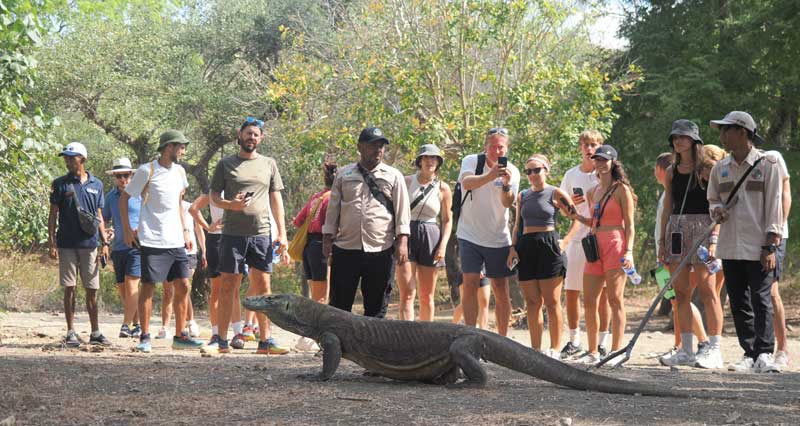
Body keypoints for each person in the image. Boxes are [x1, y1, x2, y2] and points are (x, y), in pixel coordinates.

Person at [707, 111, 784, 373]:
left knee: (761, 299)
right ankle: (749, 353)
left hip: (758, 245)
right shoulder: (720, 167)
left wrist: (771, 245)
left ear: (742, 132)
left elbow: (775, 206)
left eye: (726, 130)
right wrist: (717, 210)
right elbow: (713, 199)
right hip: (730, 245)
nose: (722, 136)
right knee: (739, 301)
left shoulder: (768, 164)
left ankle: (765, 353)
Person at [210, 117, 290, 355]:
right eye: (248, 133)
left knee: (263, 286)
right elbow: (214, 197)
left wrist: (282, 233)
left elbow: (276, 200)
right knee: (229, 284)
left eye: (256, 134)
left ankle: (265, 342)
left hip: (262, 234)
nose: (251, 138)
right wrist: (230, 205)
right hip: (233, 234)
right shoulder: (225, 164)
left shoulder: (269, 164)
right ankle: (222, 342)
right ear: (240, 135)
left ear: (261, 138)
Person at [121, 129, 203, 352]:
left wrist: (186, 232)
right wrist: (128, 230)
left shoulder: (179, 172)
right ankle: (145, 337)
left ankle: (179, 336)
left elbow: (178, 202)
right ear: (169, 147)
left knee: (183, 285)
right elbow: (125, 197)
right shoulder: (146, 171)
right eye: (181, 147)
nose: (184, 151)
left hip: (175, 239)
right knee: (148, 286)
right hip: (152, 238)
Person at [322, 127, 411, 318]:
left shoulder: (394, 175)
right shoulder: (344, 174)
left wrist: (402, 242)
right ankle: (340, 346)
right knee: (339, 305)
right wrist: (327, 239)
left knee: (376, 306)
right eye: (373, 145)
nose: (378, 150)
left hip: (381, 248)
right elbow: (333, 209)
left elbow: (402, 211)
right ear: (360, 147)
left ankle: (373, 348)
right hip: (346, 247)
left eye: (381, 146)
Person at [657, 120, 724, 369]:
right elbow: (667, 207)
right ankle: (686, 348)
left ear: (695, 140)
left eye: (683, 137)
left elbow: (718, 206)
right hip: (677, 230)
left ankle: (714, 348)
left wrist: (715, 239)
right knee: (681, 293)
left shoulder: (707, 169)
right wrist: (662, 240)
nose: (678, 141)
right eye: (675, 137)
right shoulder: (672, 171)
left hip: (703, 229)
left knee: (708, 291)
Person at [572, 145, 637, 365]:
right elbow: (595, 221)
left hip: (615, 244)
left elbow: (629, 224)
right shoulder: (593, 192)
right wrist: (576, 217)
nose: (599, 163)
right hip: (595, 245)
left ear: (612, 162)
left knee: (615, 299)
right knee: (589, 299)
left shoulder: (622, 190)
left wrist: (629, 251)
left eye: (603, 159)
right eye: (596, 160)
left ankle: (616, 351)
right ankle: (592, 350)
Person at [507, 155, 577, 358]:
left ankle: (555, 349)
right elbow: (518, 225)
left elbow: (576, 218)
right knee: (532, 301)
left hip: (549, 245)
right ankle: (535, 349)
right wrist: (513, 247)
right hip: (526, 246)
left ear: (546, 170)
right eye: (528, 171)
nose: (532, 175)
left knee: (552, 301)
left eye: (536, 170)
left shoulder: (555, 193)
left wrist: (565, 241)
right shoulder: (522, 195)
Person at [456, 127, 520, 336]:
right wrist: (491, 175)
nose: (496, 151)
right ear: (486, 147)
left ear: (507, 148)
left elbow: (507, 202)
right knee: (470, 283)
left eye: (500, 147)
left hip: (497, 236)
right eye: (492, 146)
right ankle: (470, 335)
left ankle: (502, 339)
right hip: (469, 233)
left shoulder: (513, 171)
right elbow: (466, 183)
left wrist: (506, 185)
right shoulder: (472, 161)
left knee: (500, 288)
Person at [48, 142, 112, 347]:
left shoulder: (97, 184)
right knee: (69, 287)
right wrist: (52, 243)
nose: (67, 161)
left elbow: (99, 215)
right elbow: (53, 215)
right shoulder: (60, 184)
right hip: (66, 244)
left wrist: (105, 243)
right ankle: (70, 331)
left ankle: (95, 332)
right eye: (65, 157)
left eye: (71, 157)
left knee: (92, 288)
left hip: (90, 244)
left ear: (82, 159)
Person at [558, 130, 612, 358]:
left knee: (601, 294)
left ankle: (601, 341)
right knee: (571, 291)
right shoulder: (572, 175)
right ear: (580, 148)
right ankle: (574, 340)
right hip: (578, 237)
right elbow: (561, 201)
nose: (590, 149)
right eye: (586, 145)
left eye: (594, 145)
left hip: (601, 237)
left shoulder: (604, 174)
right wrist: (570, 208)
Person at [654, 152, 708, 358]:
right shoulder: (665, 195)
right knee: (676, 299)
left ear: (661, 169)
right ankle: (679, 345)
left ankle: (702, 341)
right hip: (665, 254)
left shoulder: (672, 193)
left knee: (679, 299)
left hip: (674, 252)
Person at [395, 144, 453, 321]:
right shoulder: (406, 181)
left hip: (431, 236)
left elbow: (447, 220)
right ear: (419, 161)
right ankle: (407, 338)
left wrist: (442, 246)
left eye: (434, 158)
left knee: (427, 296)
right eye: (426, 157)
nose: (430, 161)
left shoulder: (443, 188)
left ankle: (427, 338)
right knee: (407, 293)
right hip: (407, 235)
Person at [189, 193, 246, 348]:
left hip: (236, 239)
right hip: (216, 240)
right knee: (217, 290)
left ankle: (237, 333)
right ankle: (216, 334)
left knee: (234, 290)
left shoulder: (239, 190)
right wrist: (208, 227)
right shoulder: (214, 192)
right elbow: (193, 208)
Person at [290, 161, 336, 350]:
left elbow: (297, 221)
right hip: (323, 246)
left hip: (309, 246)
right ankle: (313, 337)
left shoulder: (316, 196)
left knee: (314, 292)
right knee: (321, 297)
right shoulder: (334, 198)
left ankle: (306, 337)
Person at [103, 157, 142, 338]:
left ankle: (125, 325)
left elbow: (150, 215)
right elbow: (104, 219)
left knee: (132, 284)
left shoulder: (141, 194)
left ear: (132, 175)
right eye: (119, 176)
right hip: (118, 248)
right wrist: (106, 236)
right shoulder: (110, 197)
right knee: (123, 288)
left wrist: (140, 229)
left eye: (126, 175)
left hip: (136, 246)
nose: (122, 179)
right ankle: (137, 324)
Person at [156, 200, 203, 339]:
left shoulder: (190, 207)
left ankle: (190, 323)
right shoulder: (164, 205)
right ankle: (165, 327)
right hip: (169, 249)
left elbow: (199, 228)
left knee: (184, 288)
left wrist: (204, 250)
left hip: (188, 252)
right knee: (168, 290)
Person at [764, 149, 791, 368]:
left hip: (773, 236)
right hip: (749, 238)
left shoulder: (771, 157)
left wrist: (777, 230)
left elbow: (785, 193)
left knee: (772, 292)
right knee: (755, 294)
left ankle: (782, 349)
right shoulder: (731, 165)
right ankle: (759, 352)